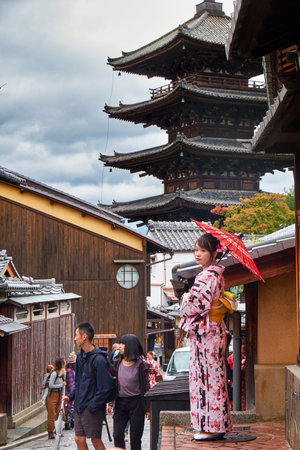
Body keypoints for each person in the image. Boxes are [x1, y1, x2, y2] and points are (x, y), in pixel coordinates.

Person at [179, 233, 232, 441]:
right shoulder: (214, 275)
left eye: (202, 250)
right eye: (196, 250)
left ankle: (211, 426)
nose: (197, 254)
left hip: (207, 333)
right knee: (213, 378)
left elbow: (195, 305)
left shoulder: (207, 276)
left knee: (207, 379)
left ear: (213, 253)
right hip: (212, 331)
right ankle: (213, 424)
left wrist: (184, 297)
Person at [63, 322, 113, 450]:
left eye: (76, 335)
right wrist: (70, 396)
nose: (75, 338)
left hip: (92, 407)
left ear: (84, 336)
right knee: (79, 439)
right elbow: (78, 382)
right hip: (79, 405)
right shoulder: (80, 356)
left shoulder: (99, 360)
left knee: (95, 440)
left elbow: (105, 388)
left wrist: (93, 405)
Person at [113, 334, 150, 450]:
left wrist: (148, 408)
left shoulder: (141, 365)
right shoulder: (117, 363)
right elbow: (112, 384)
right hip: (120, 403)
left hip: (136, 403)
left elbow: (146, 386)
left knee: (135, 438)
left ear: (130, 346)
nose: (120, 346)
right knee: (117, 435)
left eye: (122, 344)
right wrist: (110, 403)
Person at [46, 358, 66, 439]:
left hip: (59, 395)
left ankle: (59, 431)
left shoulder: (63, 373)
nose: (65, 363)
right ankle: (50, 432)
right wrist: (60, 385)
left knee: (62, 414)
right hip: (52, 395)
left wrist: (63, 396)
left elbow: (64, 385)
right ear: (60, 364)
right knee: (51, 415)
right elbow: (50, 385)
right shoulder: (54, 373)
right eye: (64, 362)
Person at [227, 338, 246, 410]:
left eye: (244, 344)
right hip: (236, 385)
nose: (243, 346)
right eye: (241, 344)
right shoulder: (232, 357)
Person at [65, 351, 76, 429]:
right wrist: (72, 394)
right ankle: (68, 423)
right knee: (69, 408)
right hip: (69, 392)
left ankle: (71, 422)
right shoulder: (69, 370)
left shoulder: (70, 369)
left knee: (70, 408)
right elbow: (71, 383)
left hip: (70, 391)